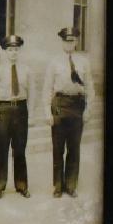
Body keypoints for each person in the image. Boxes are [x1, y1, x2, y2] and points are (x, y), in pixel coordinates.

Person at [42, 27, 95, 198]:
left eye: (72, 41)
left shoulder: (84, 62)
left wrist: (88, 109)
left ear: (76, 42)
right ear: (62, 42)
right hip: (59, 105)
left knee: (74, 148)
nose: (69, 44)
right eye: (66, 41)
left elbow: (90, 87)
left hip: (77, 106)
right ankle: (57, 186)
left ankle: (71, 185)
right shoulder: (54, 62)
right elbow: (47, 88)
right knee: (58, 149)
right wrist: (47, 112)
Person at [0, 34, 34, 199]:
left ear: (19, 51)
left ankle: (21, 185)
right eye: (10, 50)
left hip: (20, 110)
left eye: (16, 49)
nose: (13, 53)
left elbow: (31, 94)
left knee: (20, 150)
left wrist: (32, 115)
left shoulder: (26, 70)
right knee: (1, 149)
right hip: (3, 111)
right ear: (5, 51)